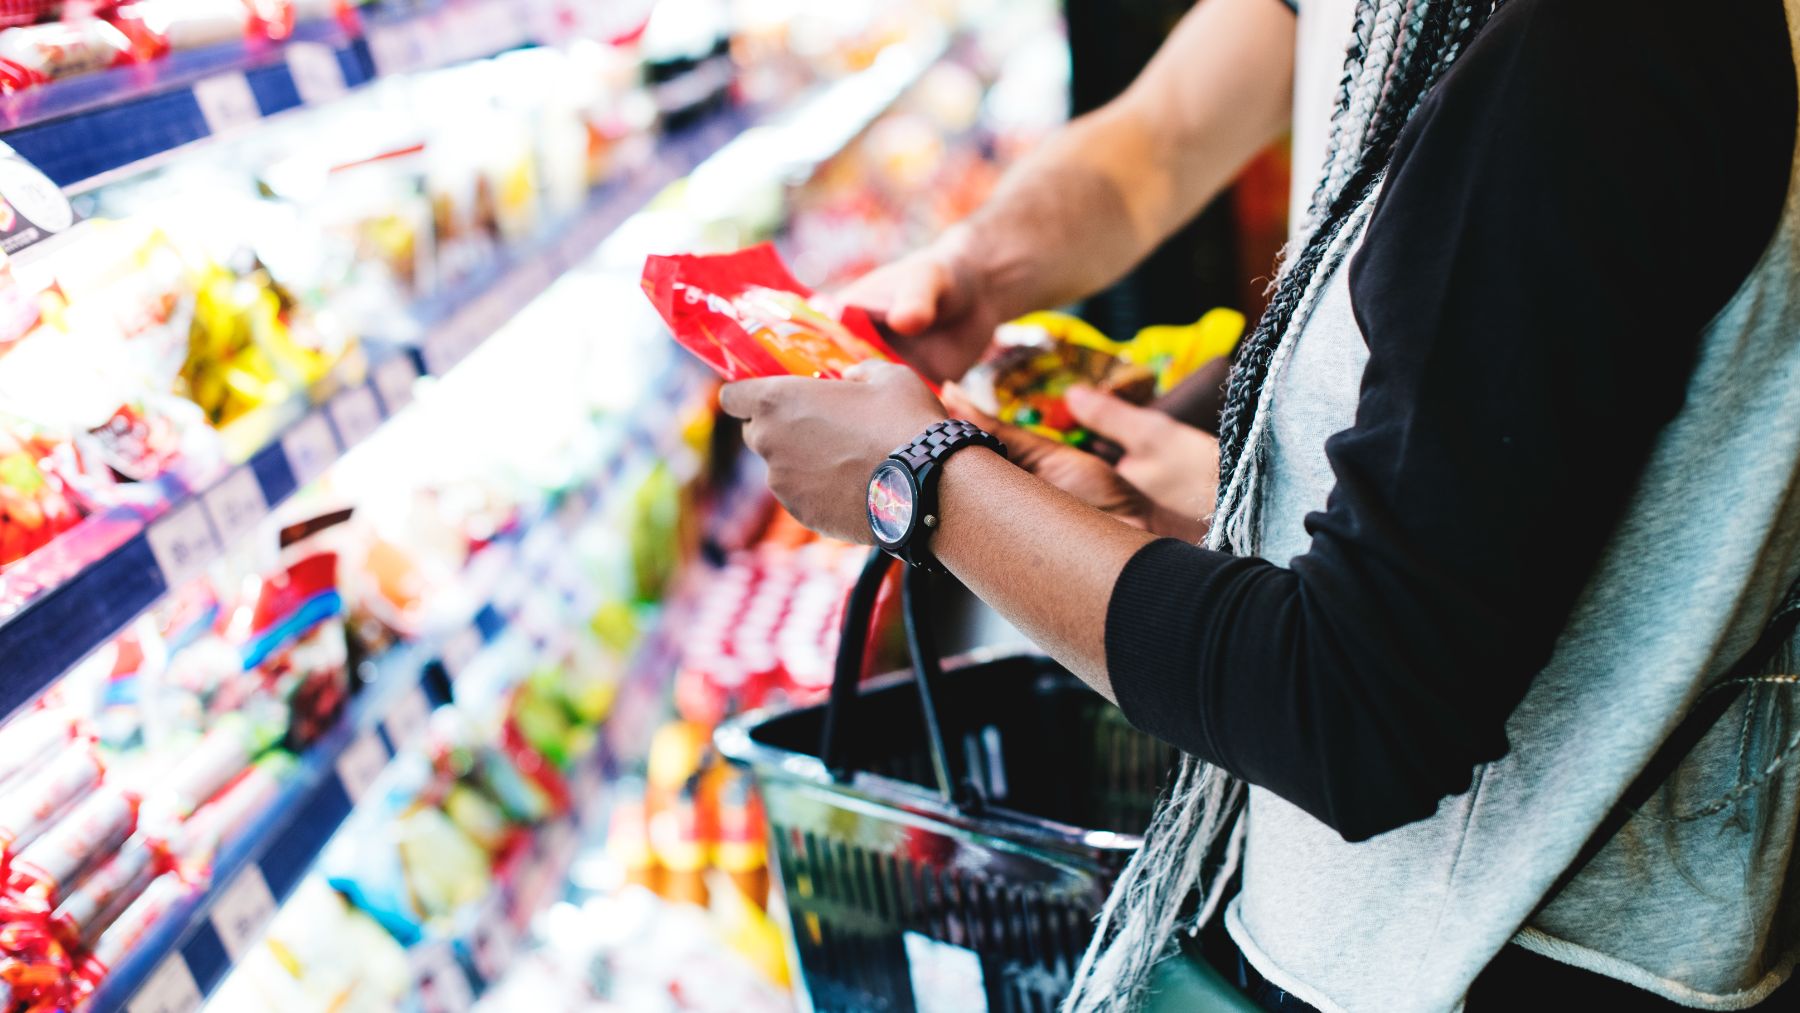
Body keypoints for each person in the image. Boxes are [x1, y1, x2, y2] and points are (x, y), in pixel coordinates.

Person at [716, 0, 1800, 1008]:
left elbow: (1360, 710)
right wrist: (1188, 525)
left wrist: (922, 482)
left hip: (1498, 949)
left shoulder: (1598, 57)